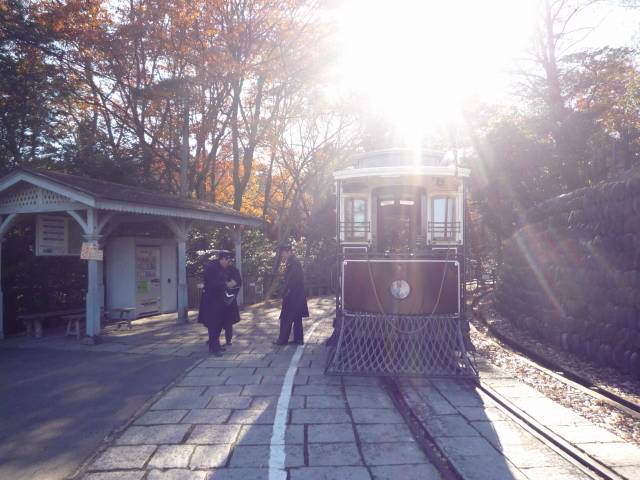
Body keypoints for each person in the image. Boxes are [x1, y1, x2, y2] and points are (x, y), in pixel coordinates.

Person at [198, 251, 238, 356]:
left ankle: (216, 346)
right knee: (213, 325)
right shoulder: (212, 268)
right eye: (227, 260)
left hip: (220, 301)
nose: (228, 262)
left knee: (219, 324)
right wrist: (228, 284)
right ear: (222, 259)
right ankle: (214, 348)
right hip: (211, 301)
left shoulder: (222, 268)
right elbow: (214, 284)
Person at [273, 243, 309, 345]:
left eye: (283, 253)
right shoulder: (293, 262)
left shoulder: (293, 263)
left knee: (286, 317)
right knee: (297, 317)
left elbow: (291, 279)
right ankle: (298, 339)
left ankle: (282, 340)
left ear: (289, 252)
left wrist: (284, 290)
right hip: (297, 294)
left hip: (293, 294)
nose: (282, 255)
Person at [222, 261, 242, 346]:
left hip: (228, 298)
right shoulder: (218, 269)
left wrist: (226, 285)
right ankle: (213, 338)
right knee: (215, 320)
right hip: (218, 298)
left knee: (228, 321)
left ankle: (228, 339)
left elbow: (237, 282)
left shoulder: (233, 270)